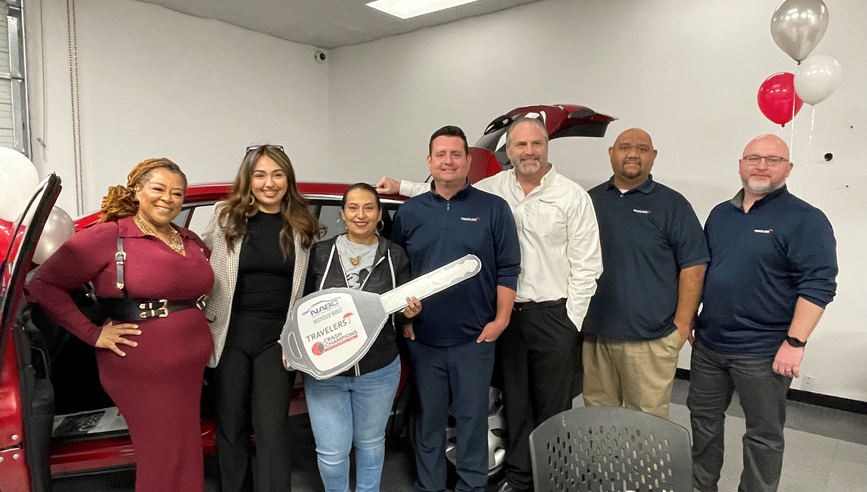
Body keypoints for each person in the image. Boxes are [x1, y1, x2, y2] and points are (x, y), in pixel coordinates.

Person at [377, 117, 601, 492]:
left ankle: (551, 481)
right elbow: (406, 258)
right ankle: (516, 479)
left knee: (549, 408)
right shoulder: (481, 192)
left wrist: (569, 319)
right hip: (474, 325)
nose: (528, 151)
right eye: (520, 145)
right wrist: (400, 187)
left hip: (539, 316)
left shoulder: (561, 196)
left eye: (535, 144)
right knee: (511, 405)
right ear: (508, 152)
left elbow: (581, 265)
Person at [26, 159, 214, 492]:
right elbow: (43, 284)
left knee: (186, 450)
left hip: (189, 365)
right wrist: (93, 334)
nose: (167, 198)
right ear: (137, 191)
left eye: (177, 193)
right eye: (158, 189)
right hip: (141, 366)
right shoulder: (111, 235)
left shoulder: (188, 238)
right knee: (160, 454)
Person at [688, 134, 837, 492]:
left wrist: (795, 342)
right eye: (753, 158)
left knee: (763, 436)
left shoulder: (806, 219)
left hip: (764, 351)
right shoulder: (720, 214)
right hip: (709, 345)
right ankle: (700, 487)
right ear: (741, 165)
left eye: (772, 159)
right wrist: (692, 313)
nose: (761, 166)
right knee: (703, 423)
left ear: (788, 168)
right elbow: (705, 270)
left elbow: (819, 286)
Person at [390, 125, 521, 492]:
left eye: (455, 154)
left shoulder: (493, 209)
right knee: (429, 422)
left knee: (472, 420)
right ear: (430, 161)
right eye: (441, 155)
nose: (448, 161)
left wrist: (501, 319)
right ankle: (429, 487)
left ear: (467, 161)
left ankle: (472, 487)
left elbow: (509, 267)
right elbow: (399, 272)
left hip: (475, 339)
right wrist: (405, 321)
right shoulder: (410, 212)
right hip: (424, 337)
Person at [203, 144, 320, 492]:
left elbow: (308, 287)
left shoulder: (301, 224)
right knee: (231, 426)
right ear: (248, 179)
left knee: (272, 428)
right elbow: (197, 263)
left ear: (288, 178)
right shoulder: (225, 215)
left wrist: (298, 336)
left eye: (277, 174)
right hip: (229, 335)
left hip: (278, 340)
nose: (269, 183)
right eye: (260, 174)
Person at [581, 128, 708, 419]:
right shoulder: (589, 201)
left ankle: (642, 468)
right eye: (625, 147)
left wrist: (681, 325)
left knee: (645, 422)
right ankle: (604, 467)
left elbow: (694, 266)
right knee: (598, 417)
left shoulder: (672, 205)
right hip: (596, 334)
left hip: (652, 337)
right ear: (611, 152)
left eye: (641, 149)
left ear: (653, 156)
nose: (633, 154)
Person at [303, 182, 421, 492]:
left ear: (380, 213)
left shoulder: (395, 255)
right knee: (331, 452)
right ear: (342, 213)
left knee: (370, 444)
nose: (361, 214)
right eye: (353, 207)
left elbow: (402, 310)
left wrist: (411, 312)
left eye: (369, 207)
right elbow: (301, 307)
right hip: (327, 371)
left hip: (378, 369)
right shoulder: (321, 253)